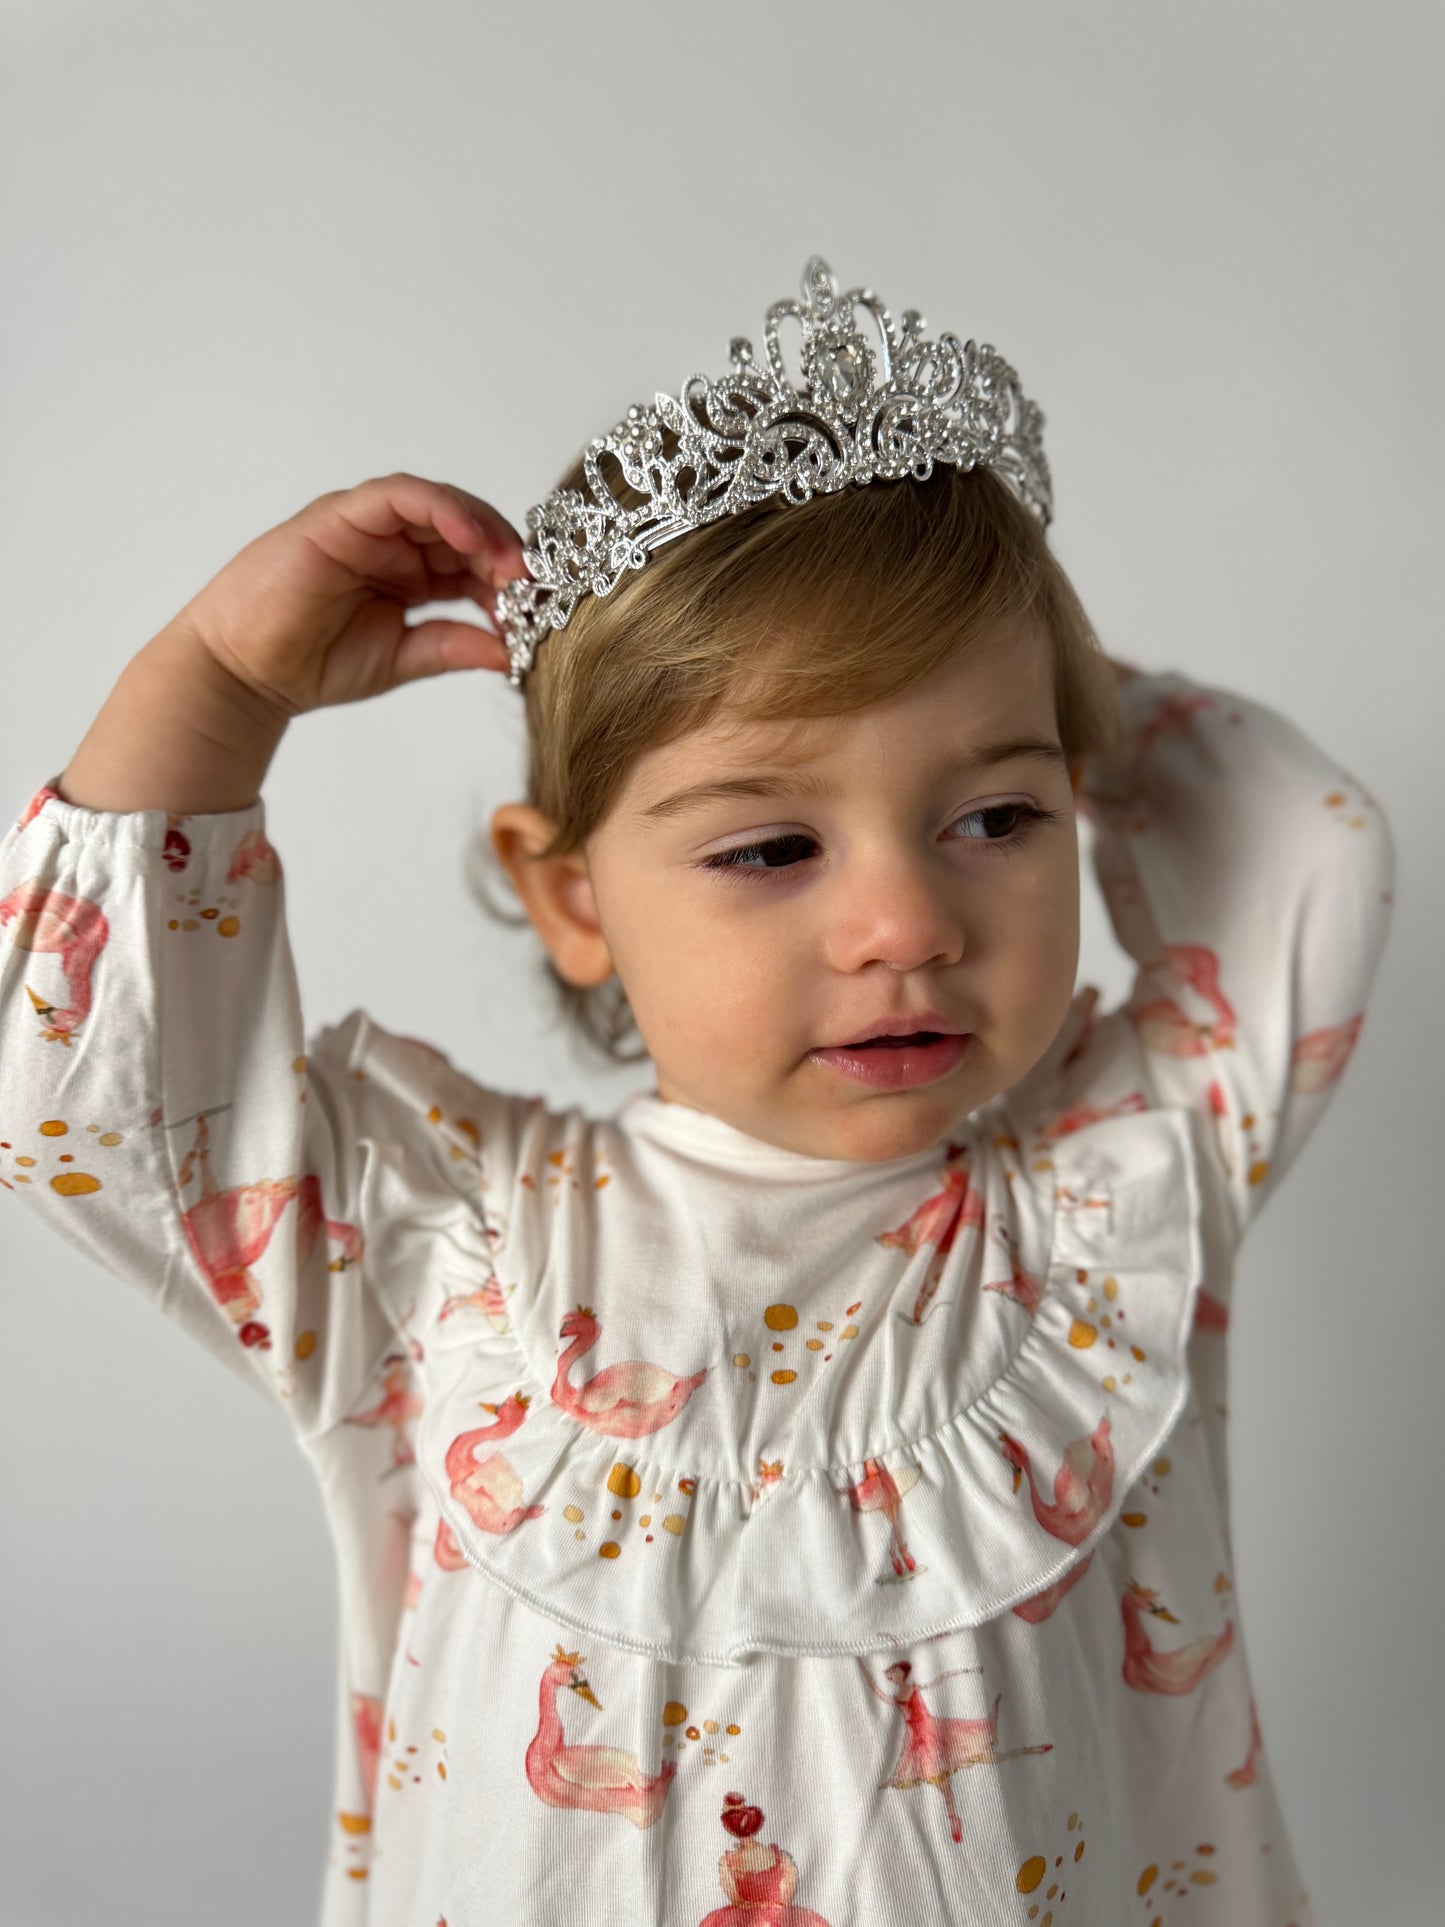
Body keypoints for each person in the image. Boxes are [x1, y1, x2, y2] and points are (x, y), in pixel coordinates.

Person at [0, 256, 1395, 1925]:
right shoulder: (435, 1244)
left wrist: (998, 634)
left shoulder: (1125, 1182)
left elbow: (1307, 849)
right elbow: (84, 1089)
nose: (904, 923)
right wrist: (216, 693)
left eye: (998, 821)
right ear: (576, 898)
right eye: (770, 846)